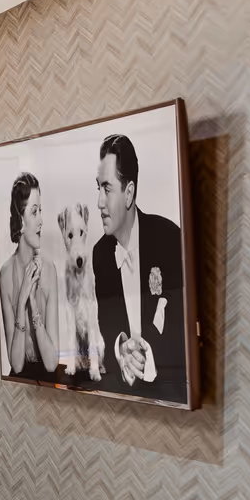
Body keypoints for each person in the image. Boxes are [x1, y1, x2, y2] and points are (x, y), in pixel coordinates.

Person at [92, 133, 188, 402]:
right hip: (122, 401)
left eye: (107, 189)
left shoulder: (170, 239)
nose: (99, 202)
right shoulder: (100, 255)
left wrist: (147, 355)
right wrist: (120, 347)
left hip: (171, 398)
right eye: (98, 188)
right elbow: (107, 321)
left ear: (129, 193)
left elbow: (183, 330)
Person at [0, 171, 60, 382]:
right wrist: (22, 296)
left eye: (41, 210)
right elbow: (16, 364)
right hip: (18, 389)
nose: (41, 220)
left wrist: (33, 303)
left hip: (49, 389)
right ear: (21, 220)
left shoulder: (50, 269)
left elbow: (51, 364)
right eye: (34, 212)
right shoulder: (5, 275)